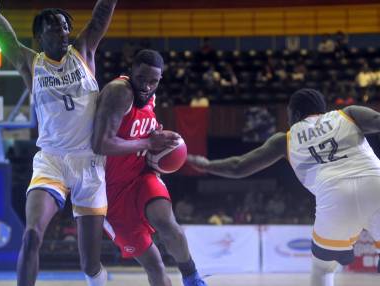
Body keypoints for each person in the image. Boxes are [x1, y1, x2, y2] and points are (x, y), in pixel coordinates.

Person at [0, 1, 117, 286]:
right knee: (31, 235)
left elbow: (102, 11)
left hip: (89, 163)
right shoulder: (30, 62)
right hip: (51, 161)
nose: (63, 29)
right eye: (54, 25)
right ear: (39, 36)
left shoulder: (83, 52)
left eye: (66, 25)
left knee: (90, 265)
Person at [188, 88, 380, 286]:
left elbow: (239, 167)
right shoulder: (347, 114)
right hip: (376, 183)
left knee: (323, 269)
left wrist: (207, 165)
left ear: (295, 115)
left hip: (334, 197)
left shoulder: (285, 139)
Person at [92, 49, 208, 286]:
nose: (146, 86)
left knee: (167, 224)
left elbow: (139, 130)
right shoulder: (119, 92)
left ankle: (192, 277)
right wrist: (148, 141)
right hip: (111, 193)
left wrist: (153, 134)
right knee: (154, 265)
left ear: (160, 79)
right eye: (141, 78)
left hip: (141, 175)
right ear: (131, 71)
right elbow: (100, 143)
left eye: (153, 81)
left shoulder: (150, 97)